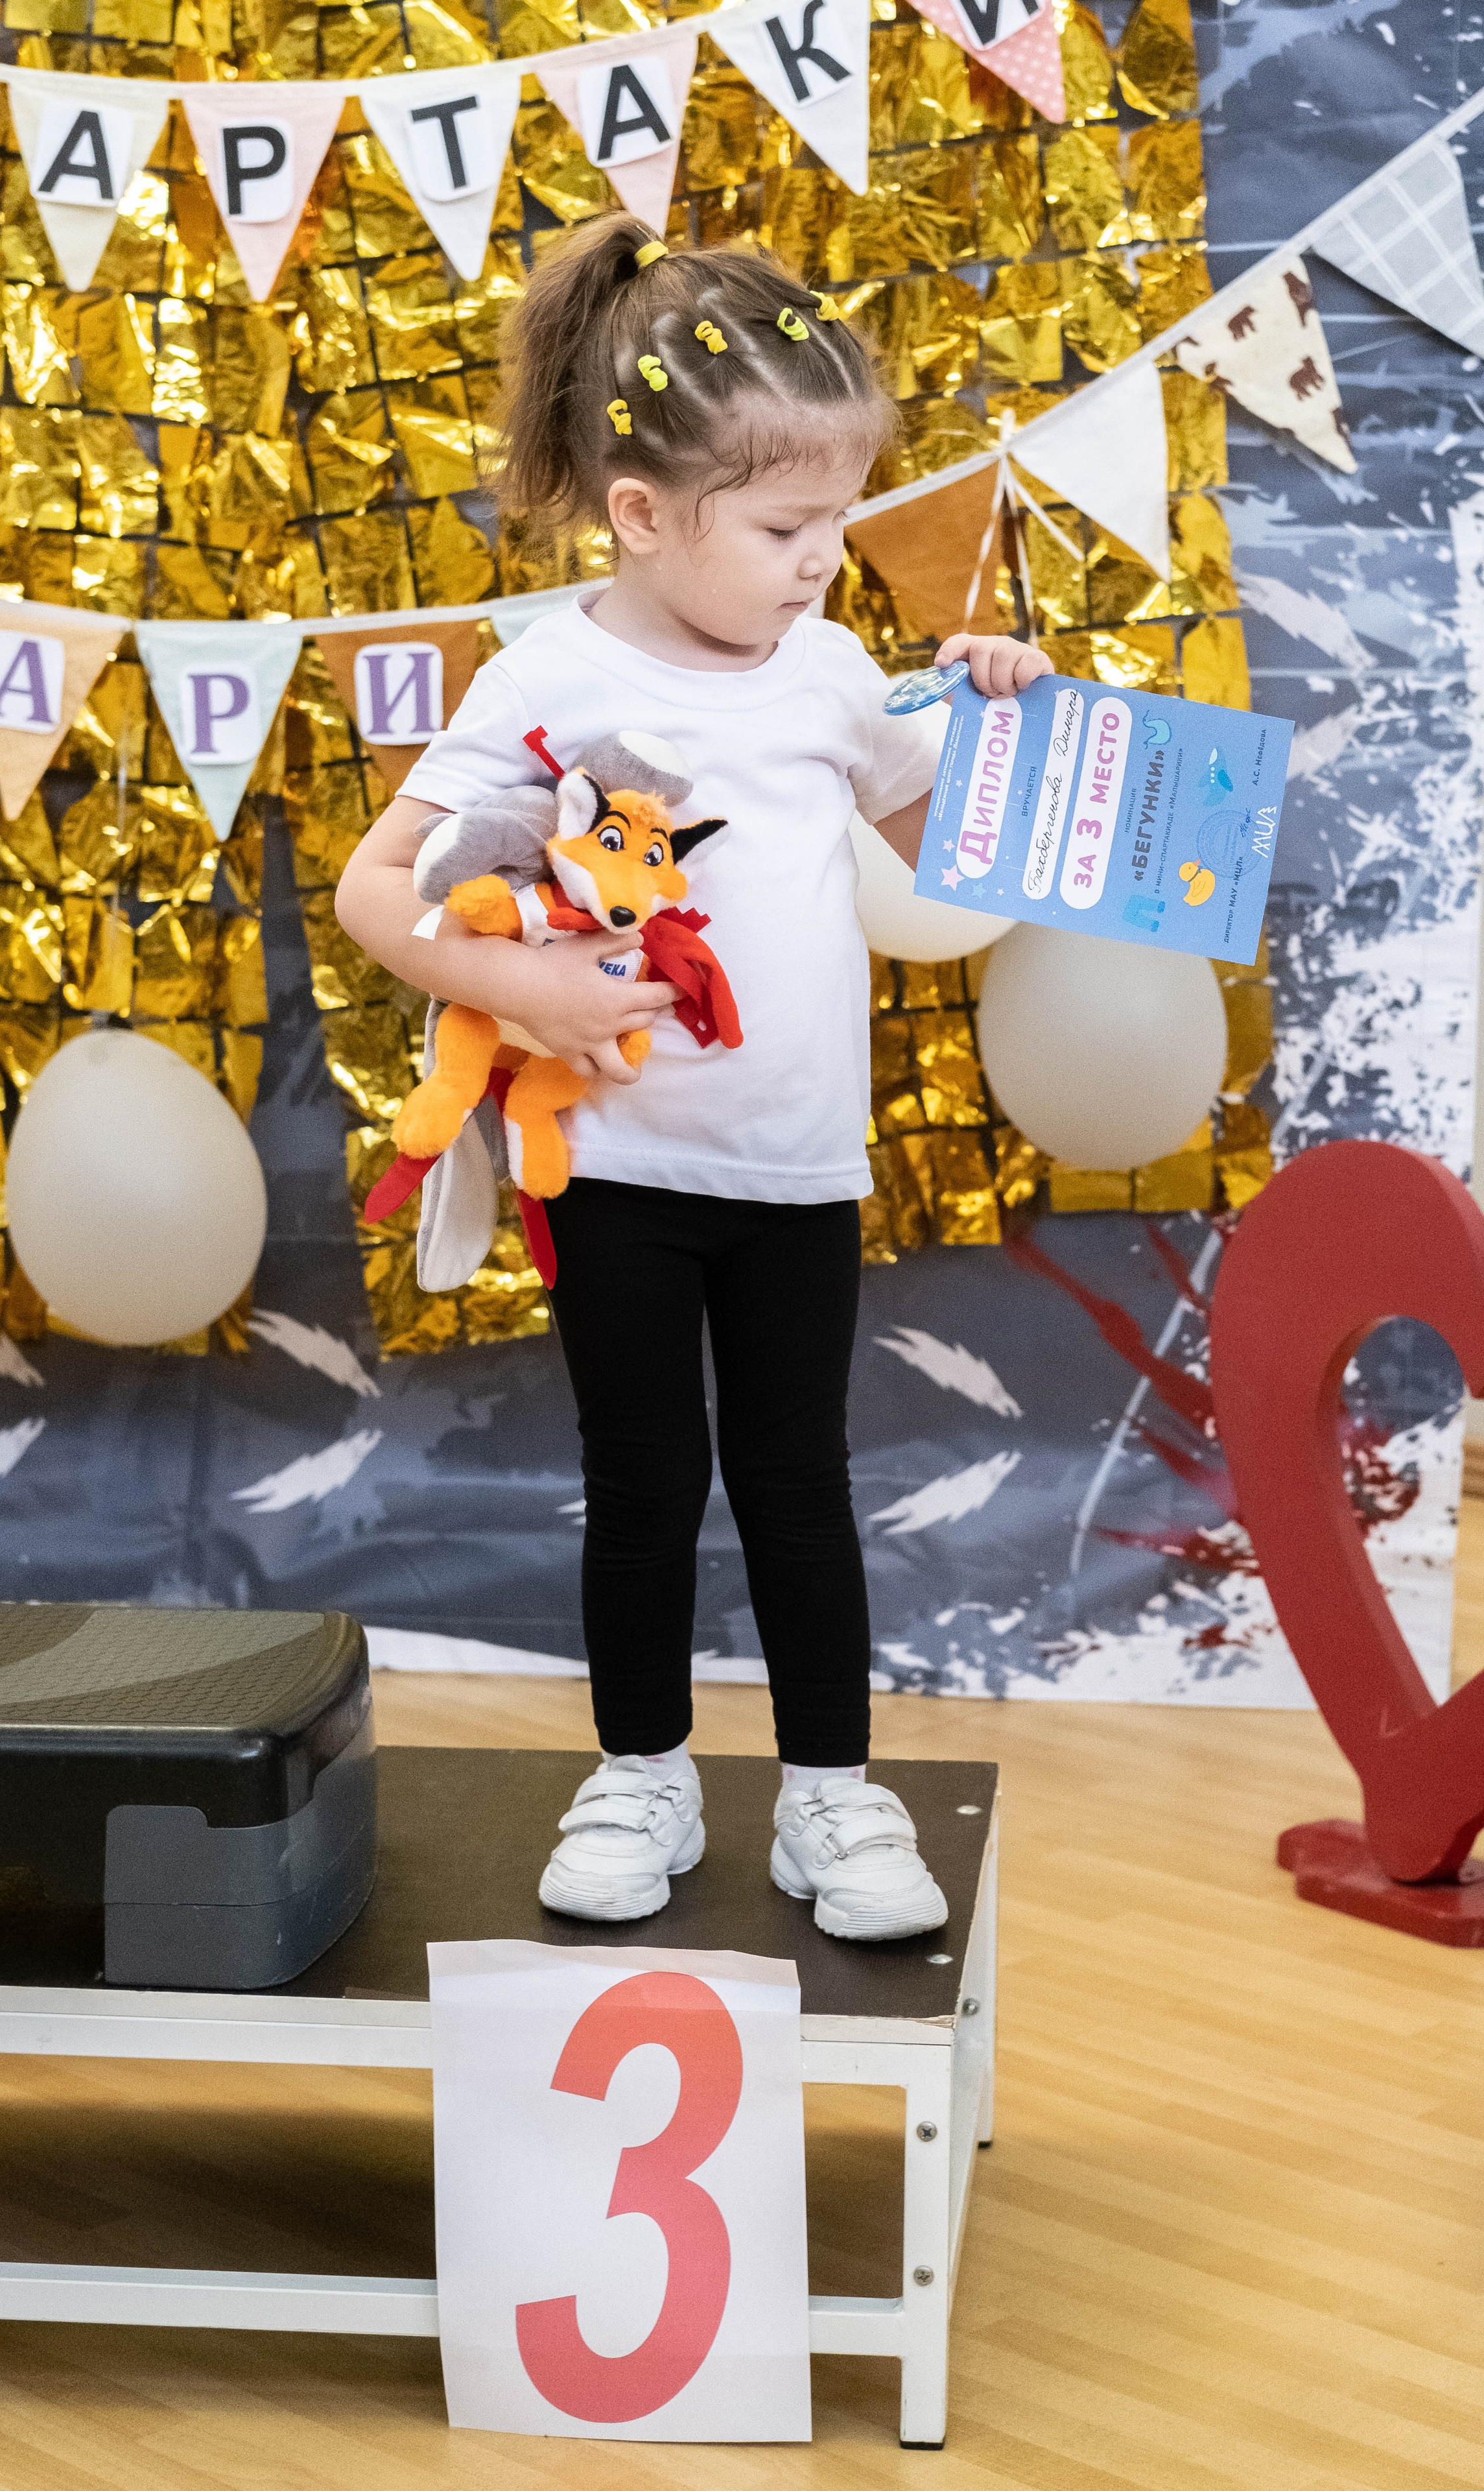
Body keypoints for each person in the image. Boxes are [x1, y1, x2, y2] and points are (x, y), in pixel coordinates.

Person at [336, 212, 1048, 1941]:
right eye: (790, 527)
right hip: (628, 1175)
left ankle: (830, 1793)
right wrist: (524, 982)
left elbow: (952, 848)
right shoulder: (550, 678)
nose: (822, 563)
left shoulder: (824, 673)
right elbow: (380, 885)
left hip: (796, 1170)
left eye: (839, 523)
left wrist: (1000, 708)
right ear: (645, 514)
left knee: (800, 1476)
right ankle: (640, 1767)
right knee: (643, 1478)